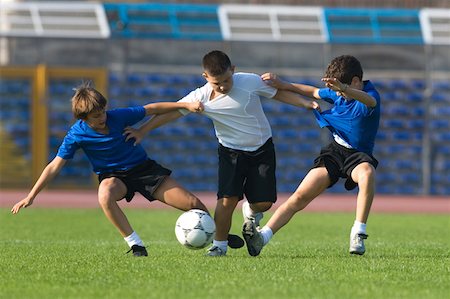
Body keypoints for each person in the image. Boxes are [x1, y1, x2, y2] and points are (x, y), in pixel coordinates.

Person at [124, 50, 319, 257]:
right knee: (227, 200)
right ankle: (219, 245)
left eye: (227, 80)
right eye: (217, 83)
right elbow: (172, 112)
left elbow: (278, 93)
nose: (224, 86)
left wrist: (304, 103)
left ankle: (251, 212)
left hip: (262, 149)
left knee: (264, 203)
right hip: (230, 152)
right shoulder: (199, 97)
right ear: (206, 77)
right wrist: (142, 130)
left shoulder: (250, 81)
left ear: (233, 70)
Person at [11, 82, 209, 257]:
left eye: (103, 112)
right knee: (104, 194)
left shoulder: (117, 117)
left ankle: (217, 241)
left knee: (195, 204)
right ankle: (135, 245)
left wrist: (186, 105)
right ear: (84, 118)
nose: (102, 117)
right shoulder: (76, 134)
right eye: (96, 116)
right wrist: (31, 196)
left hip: (144, 170)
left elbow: (151, 108)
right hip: (115, 177)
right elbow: (54, 166)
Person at [242, 54, 381, 256]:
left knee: (367, 173)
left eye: (341, 89)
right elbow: (313, 91)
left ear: (355, 82)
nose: (338, 95)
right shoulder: (338, 93)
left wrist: (344, 89)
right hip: (335, 152)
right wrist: (283, 84)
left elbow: (370, 102)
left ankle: (358, 232)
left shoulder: (369, 95)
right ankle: (262, 238)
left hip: (358, 156)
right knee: (299, 197)